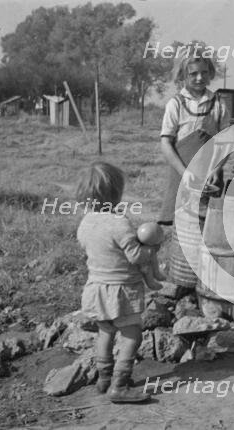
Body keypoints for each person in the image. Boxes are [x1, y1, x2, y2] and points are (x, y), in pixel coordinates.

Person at [76, 161, 158, 403]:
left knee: (105, 332)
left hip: (96, 289)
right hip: (121, 291)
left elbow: (87, 247)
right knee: (133, 335)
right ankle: (119, 385)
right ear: (116, 194)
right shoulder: (120, 223)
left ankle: (104, 377)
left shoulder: (86, 222)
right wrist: (151, 250)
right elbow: (135, 256)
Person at [158, 48, 230, 226]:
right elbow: (166, 143)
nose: (200, 78)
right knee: (181, 227)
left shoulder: (219, 104)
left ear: (210, 73)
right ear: (183, 74)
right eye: (194, 73)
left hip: (209, 177)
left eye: (204, 72)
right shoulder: (175, 104)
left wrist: (217, 168)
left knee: (208, 226)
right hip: (182, 173)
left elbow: (226, 142)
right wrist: (185, 173)